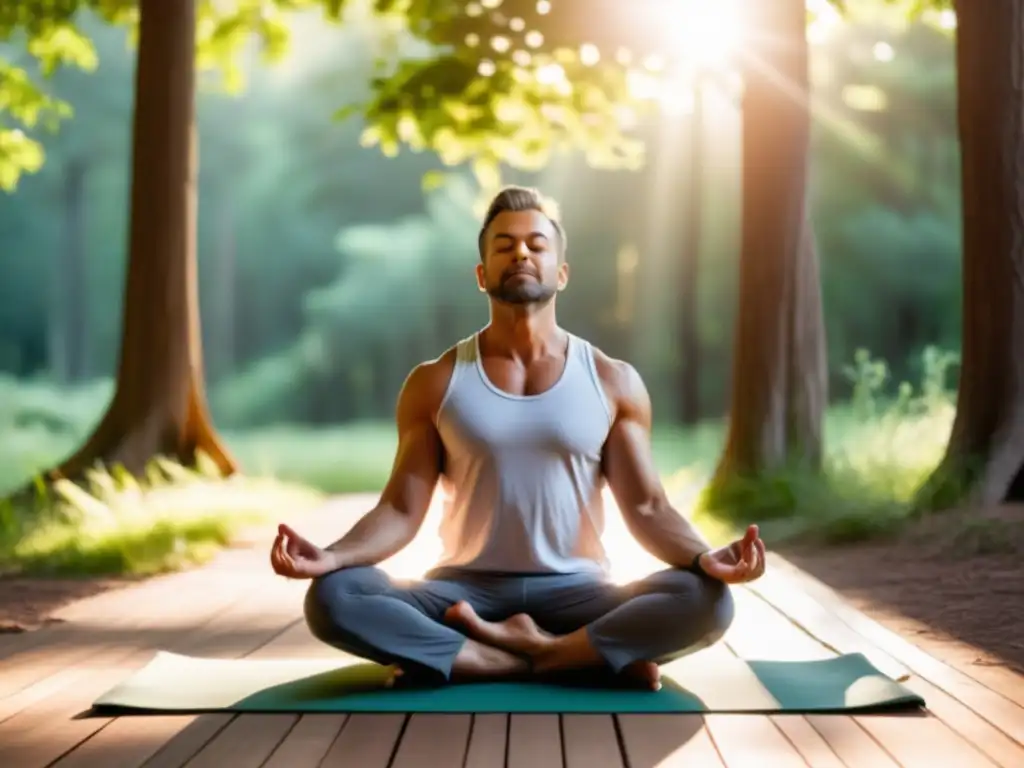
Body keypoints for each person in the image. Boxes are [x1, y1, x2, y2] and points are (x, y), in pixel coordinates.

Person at [270, 185, 766, 691]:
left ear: (562, 273)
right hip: (462, 595)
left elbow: (647, 508)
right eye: (504, 245)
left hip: (580, 594)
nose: (521, 253)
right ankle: (559, 657)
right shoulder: (435, 381)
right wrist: (332, 557)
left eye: (536, 244)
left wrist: (704, 558)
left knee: (706, 598)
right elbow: (400, 509)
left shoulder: (613, 380)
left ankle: (502, 651)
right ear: (482, 275)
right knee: (335, 597)